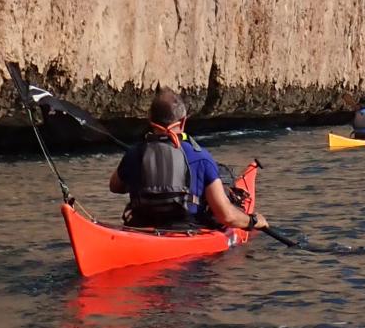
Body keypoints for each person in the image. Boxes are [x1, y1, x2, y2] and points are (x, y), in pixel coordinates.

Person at [110, 86, 267, 230]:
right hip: (185, 230)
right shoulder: (201, 157)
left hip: (141, 227)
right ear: (183, 121)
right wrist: (253, 221)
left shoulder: (134, 153)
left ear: (150, 120)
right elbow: (226, 216)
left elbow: (115, 187)